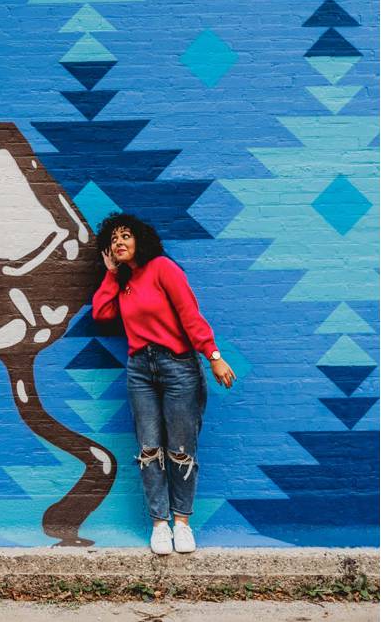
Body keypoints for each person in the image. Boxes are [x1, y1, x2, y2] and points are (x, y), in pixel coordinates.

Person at [92, 212, 236, 555]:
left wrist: (213, 355)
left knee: (181, 449)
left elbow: (190, 314)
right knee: (149, 448)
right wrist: (112, 276)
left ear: (140, 239)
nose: (119, 243)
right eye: (113, 240)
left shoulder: (162, 268)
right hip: (140, 368)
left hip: (178, 366)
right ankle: (160, 525)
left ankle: (182, 523)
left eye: (125, 236)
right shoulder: (124, 283)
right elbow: (101, 314)